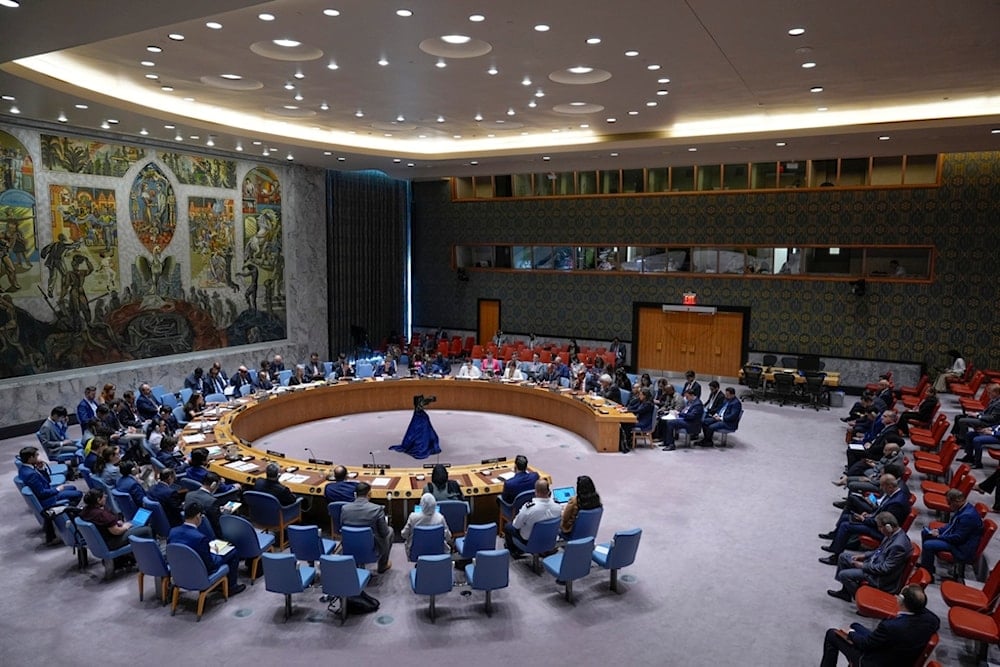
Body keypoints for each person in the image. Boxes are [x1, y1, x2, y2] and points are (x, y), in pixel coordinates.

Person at [820, 585, 939, 667]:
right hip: (898, 656)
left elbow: (865, 644)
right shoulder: (932, 620)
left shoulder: (890, 627)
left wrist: (850, 633)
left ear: (901, 600)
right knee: (855, 625)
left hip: (874, 661)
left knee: (832, 634)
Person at [819, 473, 910, 563]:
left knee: (845, 525)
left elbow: (885, 524)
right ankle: (835, 541)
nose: (881, 489)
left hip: (882, 532)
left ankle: (835, 557)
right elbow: (881, 511)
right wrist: (870, 515)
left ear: (889, 487)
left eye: (883, 486)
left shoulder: (896, 504)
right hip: (876, 522)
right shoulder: (894, 494)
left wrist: (865, 520)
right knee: (846, 517)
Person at [827, 511, 911, 602]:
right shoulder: (891, 534)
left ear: (888, 527)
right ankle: (845, 592)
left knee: (844, 575)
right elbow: (879, 550)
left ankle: (861, 598)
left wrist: (862, 565)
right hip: (875, 563)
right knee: (843, 557)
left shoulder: (898, 546)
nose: (879, 530)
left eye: (879, 527)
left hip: (880, 577)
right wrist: (863, 555)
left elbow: (885, 569)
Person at [169, 502, 245, 595]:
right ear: (198, 516)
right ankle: (231, 587)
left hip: (180, 570)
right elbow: (210, 565)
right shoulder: (199, 538)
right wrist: (215, 553)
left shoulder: (173, 532)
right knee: (232, 551)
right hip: (200, 571)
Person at [919, 489, 983, 580]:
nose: (949, 506)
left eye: (950, 503)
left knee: (928, 545)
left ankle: (927, 575)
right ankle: (926, 566)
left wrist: (939, 536)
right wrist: (938, 530)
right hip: (956, 540)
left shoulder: (968, 516)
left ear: (957, 500)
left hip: (961, 547)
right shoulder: (963, 509)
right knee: (926, 533)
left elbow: (958, 538)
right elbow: (951, 525)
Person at [340, 481, 393, 573]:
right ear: (369, 494)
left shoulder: (345, 508)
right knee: (390, 531)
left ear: (355, 494)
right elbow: (384, 532)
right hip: (371, 546)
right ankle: (382, 565)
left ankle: (355, 563)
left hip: (350, 544)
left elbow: (342, 527)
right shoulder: (376, 509)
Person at [80, 488, 153, 549]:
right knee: (146, 529)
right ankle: (152, 552)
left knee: (133, 526)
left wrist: (116, 523)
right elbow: (116, 532)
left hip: (101, 541)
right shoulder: (102, 514)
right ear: (98, 500)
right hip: (112, 542)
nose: (106, 496)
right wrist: (125, 527)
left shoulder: (86, 510)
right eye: (103, 496)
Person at [505, 479, 562, 557]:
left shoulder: (529, 508)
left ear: (536, 492)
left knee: (508, 526)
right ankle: (544, 550)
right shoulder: (558, 506)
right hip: (550, 538)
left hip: (529, 540)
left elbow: (516, 525)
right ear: (549, 491)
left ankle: (515, 552)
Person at [401, 493, 451, 559]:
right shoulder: (440, 518)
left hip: (416, 553)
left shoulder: (413, 517)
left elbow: (404, 535)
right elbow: (448, 537)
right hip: (437, 551)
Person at [183, 472, 229, 538]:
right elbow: (217, 524)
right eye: (218, 485)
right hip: (212, 534)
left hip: (194, 531)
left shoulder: (189, 495)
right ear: (213, 485)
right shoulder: (212, 501)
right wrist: (226, 512)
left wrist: (218, 510)